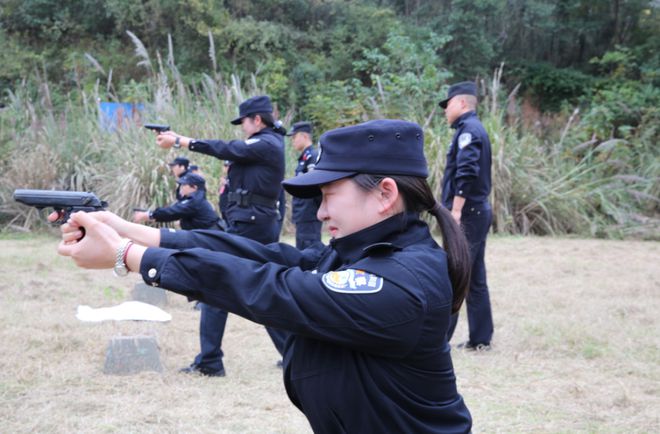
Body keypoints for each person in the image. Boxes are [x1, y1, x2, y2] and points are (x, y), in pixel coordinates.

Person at [53, 119, 473, 432]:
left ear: (385, 194)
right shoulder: (366, 254)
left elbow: (270, 289)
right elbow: (263, 256)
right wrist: (132, 232)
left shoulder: (403, 279)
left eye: (328, 195)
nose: (321, 211)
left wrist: (129, 256)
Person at [153, 95, 288, 376]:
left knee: (216, 282)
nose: (242, 128)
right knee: (262, 290)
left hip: (252, 226)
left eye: (244, 122)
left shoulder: (266, 143)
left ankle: (210, 360)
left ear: (257, 120)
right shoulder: (267, 144)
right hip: (252, 224)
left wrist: (181, 141)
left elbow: (228, 148)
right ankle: (293, 355)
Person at [439, 81, 494, 351]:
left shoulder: (468, 131)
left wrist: (456, 210)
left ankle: (439, 339)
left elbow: (467, 171)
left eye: (447, 104)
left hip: (468, 212)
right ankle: (480, 339)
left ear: (461, 103)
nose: (444, 111)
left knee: (456, 273)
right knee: (475, 276)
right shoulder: (471, 129)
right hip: (476, 210)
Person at [133, 173, 220, 231]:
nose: (181, 187)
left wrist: (149, 215)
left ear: (194, 187)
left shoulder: (195, 201)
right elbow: (175, 209)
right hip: (209, 235)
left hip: (211, 237)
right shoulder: (196, 198)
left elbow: (172, 212)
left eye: (184, 185)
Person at [286, 121, 322, 249]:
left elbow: (315, 186)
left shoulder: (312, 156)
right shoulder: (303, 158)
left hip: (309, 213)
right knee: (301, 247)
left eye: (294, 137)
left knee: (310, 247)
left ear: (305, 136)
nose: (292, 141)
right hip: (302, 213)